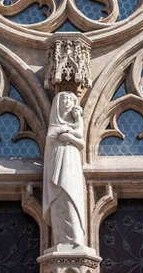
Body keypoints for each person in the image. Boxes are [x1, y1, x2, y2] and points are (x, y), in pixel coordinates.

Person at [43, 92, 86, 248]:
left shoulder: (77, 123)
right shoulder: (55, 124)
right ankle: (62, 240)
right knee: (60, 199)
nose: (67, 102)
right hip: (56, 161)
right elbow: (49, 140)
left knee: (72, 197)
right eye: (64, 99)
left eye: (70, 99)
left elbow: (81, 143)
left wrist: (69, 137)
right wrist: (63, 130)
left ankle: (76, 239)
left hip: (71, 162)